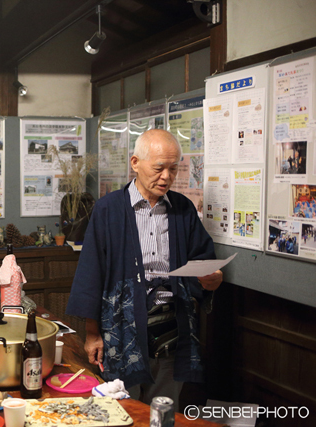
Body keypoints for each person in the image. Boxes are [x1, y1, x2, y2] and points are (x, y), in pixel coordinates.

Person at [66, 129, 223, 410]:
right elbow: (91, 274)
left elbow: (203, 260)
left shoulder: (182, 209)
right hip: (122, 327)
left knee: (163, 406)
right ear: (135, 163)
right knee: (120, 407)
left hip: (173, 326)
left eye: (173, 169)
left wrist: (211, 280)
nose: (167, 177)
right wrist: (92, 334)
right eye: (159, 168)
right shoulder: (107, 209)